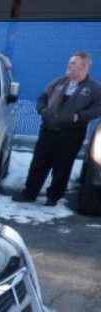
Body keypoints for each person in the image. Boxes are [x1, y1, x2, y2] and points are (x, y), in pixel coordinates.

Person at [14, 51, 101, 206]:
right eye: (70, 62)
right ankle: (29, 193)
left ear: (84, 67)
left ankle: (53, 197)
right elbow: (42, 97)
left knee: (63, 167)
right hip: (48, 130)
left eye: (73, 63)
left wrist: (79, 116)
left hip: (71, 134)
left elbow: (97, 108)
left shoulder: (93, 88)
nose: (69, 65)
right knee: (39, 163)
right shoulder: (59, 82)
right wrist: (42, 110)